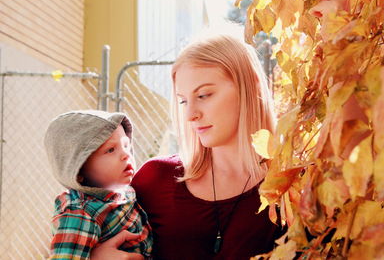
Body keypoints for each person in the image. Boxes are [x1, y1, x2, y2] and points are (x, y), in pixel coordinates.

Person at [92, 34, 282, 260]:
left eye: (204, 95)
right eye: (183, 101)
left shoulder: (295, 190)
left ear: (252, 86)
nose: (191, 115)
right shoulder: (154, 180)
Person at [44, 110, 152, 259]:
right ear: (79, 170)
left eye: (126, 145)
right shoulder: (80, 213)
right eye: (110, 150)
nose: (126, 154)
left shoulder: (122, 191)